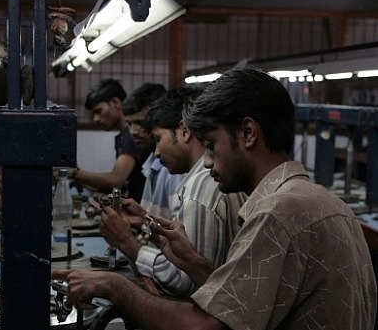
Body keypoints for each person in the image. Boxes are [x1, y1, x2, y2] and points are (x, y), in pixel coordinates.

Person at [54, 68, 377, 330]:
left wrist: (115, 286)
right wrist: (192, 263)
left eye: (210, 144)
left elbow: (208, 326)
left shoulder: (279, 212)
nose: (207, 162)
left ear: (248, 133)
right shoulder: (318, 199)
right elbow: (243, 309)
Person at [100, 87, 247, 298]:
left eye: (158, 139)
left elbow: (185, 283)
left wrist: (126, 242)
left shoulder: (201, 188)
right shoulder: (209, 179)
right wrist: (144, 220)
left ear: (184, 132)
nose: (156, 152)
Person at [67, 79, 145, 202]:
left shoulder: (132, 135)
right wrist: (78, 177)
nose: (96, 118)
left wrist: (74, 173)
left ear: (116, 103)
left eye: (98, 111)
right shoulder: (122, 137)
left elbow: (116, 181)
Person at [121, 83, 185, 218]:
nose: (133, 132)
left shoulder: (174, 169)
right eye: (129, 123)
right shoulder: (152, 164)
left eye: (140, 122)